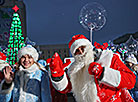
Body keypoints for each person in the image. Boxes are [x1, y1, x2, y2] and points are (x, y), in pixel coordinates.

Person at [48, 34, 136, 102]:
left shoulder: (108, 58)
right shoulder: (74, 69)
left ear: (89, 46)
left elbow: (130, 80)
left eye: (83, 48)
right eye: (77, 51)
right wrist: (58, 75)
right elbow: (66, 88)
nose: (81, 52)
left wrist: (103, 72)